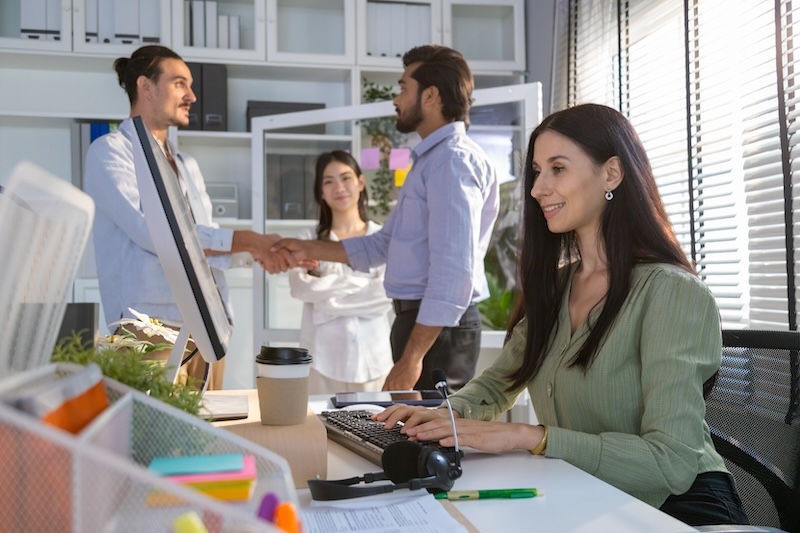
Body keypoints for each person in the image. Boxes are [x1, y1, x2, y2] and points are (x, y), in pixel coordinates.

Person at [374, 104, 749, 527]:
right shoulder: (555, 287)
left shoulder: (672, 292)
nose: (537, 188)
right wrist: (443, 416)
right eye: (537, 170)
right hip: (587, 493)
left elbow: (671, 462)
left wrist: (530, 436)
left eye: (557, 168)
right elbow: (499, 384)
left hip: (677, 509)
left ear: (611, 174)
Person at [273, 45, 499, 393]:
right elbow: (382, 245)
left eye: (403, 88)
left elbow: (454, 273)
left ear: (431, 96)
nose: (396, 99)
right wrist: (303, 246)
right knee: (412, 436)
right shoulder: (430, 161)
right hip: (421, 323)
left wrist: (412, 358)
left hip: (437, 330)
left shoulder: (451, 163)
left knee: (431, 438)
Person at [84, 45, 287, 390]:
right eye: (180, 83)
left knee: (203, 437)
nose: (192, 95)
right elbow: (155, 234)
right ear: (145, 87)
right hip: (149, 328)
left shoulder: (187, 164)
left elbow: (201, 239)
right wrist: (248, 240)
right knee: (151, 438)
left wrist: (257, 252)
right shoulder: (110, 153)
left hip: (208, 328)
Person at [287, 151, 393, 393]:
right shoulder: (307, 239)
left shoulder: (381, 238)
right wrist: (360, 284)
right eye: (328, 181)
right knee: (320, 428)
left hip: (374, 359)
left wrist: (327, 300)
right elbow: (301, 288)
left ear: (361, 182)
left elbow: (385, 294)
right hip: (322, 358)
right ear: (321, 192)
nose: (339, 187)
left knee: (373, 428)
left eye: (346, 178)